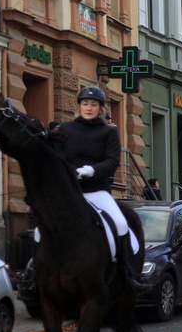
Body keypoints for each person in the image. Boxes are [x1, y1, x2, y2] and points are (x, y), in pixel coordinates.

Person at [56, 85, 148, 295]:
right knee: (41, 231)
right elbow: (56, 158)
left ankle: (128, 275)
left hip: (97, 191)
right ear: (78, 106)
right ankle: (33, 278)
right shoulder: (65, 130)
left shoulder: (108, 132)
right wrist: (70, 172)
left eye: (94, 104)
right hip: (71, 193)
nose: (89, 108)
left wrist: (91, 171)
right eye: (85, 104)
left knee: (121, 223)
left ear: (100, 108)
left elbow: (113, 161)